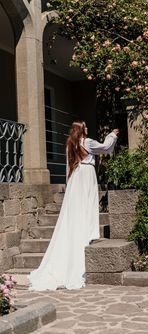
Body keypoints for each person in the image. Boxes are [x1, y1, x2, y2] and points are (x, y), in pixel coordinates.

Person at [28, 121, 119, 291]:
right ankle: (86, 232)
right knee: (87, 204)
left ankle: (81, 231)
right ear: (81, 130)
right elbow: (105, 148)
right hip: (86, 174)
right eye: (85, 126)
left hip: (76, 177)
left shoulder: (70, 145)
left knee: (77, 207)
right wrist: (112, 134)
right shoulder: (88, 142)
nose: (87, 128)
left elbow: (67, 168)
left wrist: (68, 184)